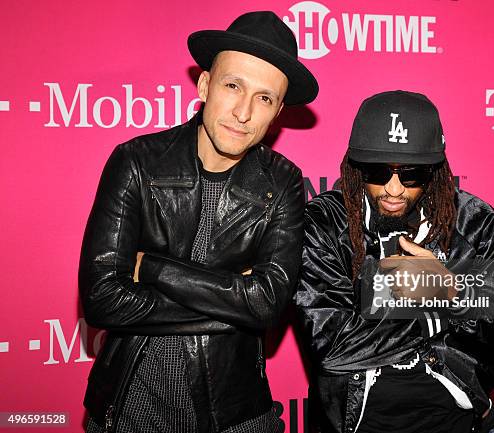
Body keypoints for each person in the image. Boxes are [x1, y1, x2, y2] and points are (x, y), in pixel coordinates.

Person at [79, 11, 318, 433]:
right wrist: (235, 297)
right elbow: (102, 298)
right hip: (133, 409)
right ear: (205, 85)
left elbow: (268, 305)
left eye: (264, 98)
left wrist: (152, 268)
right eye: (233, 85)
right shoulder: (136, 161)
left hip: (237, 415)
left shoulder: (282, 182)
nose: (243, 112)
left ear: (278, 110)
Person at [295, 91, 494, 433]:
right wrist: (436, 314)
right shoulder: (326, 224)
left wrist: (453, 291)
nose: (393, 190)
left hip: (458, 423)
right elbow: (332, 346)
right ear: (356, 167)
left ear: (434, 172)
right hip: (355, 425)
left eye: (411, 175)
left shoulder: (477, 223)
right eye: (378, 172)